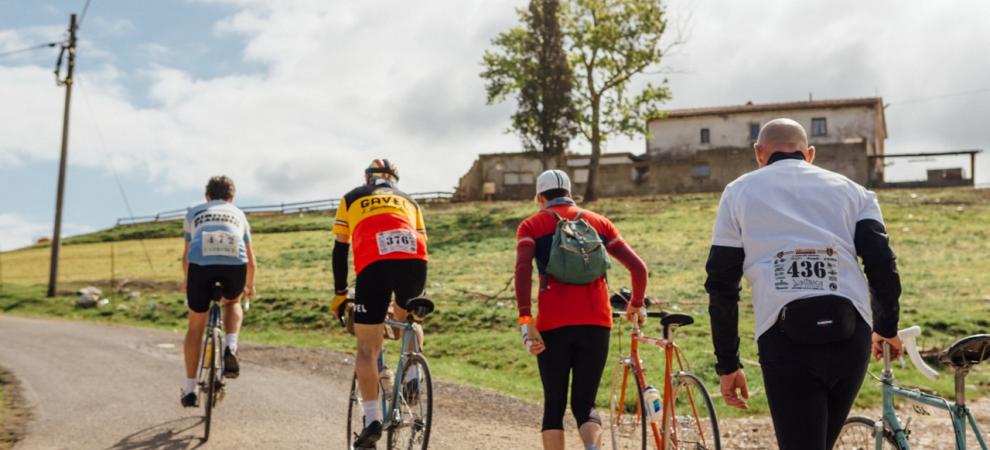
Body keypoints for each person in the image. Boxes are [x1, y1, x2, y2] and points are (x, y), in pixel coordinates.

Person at [705, 118, 903, 449]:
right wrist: (887, 326)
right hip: (849, 332)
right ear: (809, 153)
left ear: (759, 153)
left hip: (784, 336)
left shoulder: (737, 192)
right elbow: (882, 264)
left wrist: (728, 363)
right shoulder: (855, 192)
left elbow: (722, 284)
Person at [515, 169, 649, 450]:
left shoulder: (532, 225)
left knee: (554, 403)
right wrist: (635, 303)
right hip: (597, 323)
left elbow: (523, 270)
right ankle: (592, 447)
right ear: (571, 194)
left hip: (552, 325)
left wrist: (527, 320)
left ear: (540, 197)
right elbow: (639, 268)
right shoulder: (599, 223)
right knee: (585, 404)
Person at [330, 159, 428, 449]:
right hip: (415, 260)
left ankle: (372, 419)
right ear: (394, 180)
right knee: (408, 320)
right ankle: (412, 374)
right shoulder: (410, 202)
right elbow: (423, 241)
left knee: (366, 348)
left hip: (374, 265)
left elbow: (340, 249)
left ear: (368, 179)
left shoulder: (352, 197)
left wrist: (339, 294)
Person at [180, 175, 256, 407]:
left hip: (200, 265)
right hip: (234, 264)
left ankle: (190, 388)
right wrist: (249, 286)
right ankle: (230, 346)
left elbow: (186, 256)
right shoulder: (239, 214)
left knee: (196, 325)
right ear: (231, 198)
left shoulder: (193, 212)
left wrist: (187, 280)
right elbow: (251, 260)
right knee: (232, 302)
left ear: (207, 197)